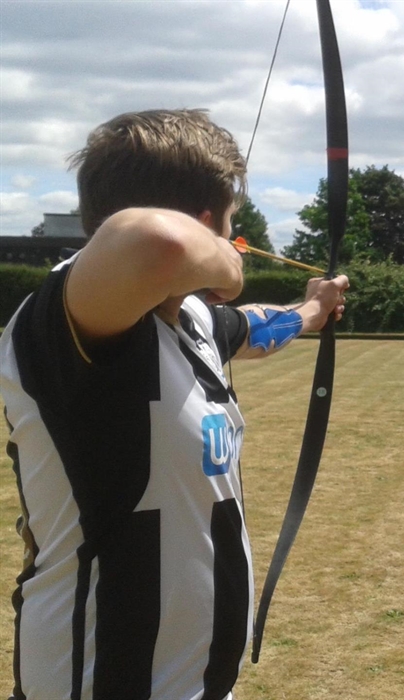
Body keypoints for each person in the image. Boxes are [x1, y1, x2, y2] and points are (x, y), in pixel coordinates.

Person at [0, 109, 350, 699]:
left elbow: (258, 326)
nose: (236, 244)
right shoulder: (70, 315)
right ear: (206, 224)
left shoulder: (190, 318)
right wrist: (225, 262)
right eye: (230, 226)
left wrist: (314, 308)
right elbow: (156, 242)